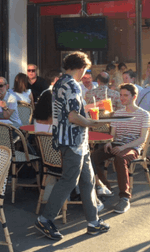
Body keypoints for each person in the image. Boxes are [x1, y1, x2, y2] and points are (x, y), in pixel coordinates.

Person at [35, 52, 110, 241]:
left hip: (70, 140)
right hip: (74, 141)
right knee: (69, 180)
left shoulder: (60, 83)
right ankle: (45, 218)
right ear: (82, 68)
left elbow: (67, 113)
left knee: (88, 180)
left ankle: (93, 222)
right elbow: (73, 116)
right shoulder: (73, 85)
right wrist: (93, 124)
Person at [91, 84, 150, 214]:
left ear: (134, 97)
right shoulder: (118, 113)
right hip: (117, 143)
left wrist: (123, 147)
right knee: (91, 157)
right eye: (121, 95)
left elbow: (142, 139)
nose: (122, 98)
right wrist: (108, 141)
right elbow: (112, 134)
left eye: (125, 95)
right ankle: (105, 188)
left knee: (120, 158)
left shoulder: (143, 114)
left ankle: (124, 198)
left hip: (132, 146)